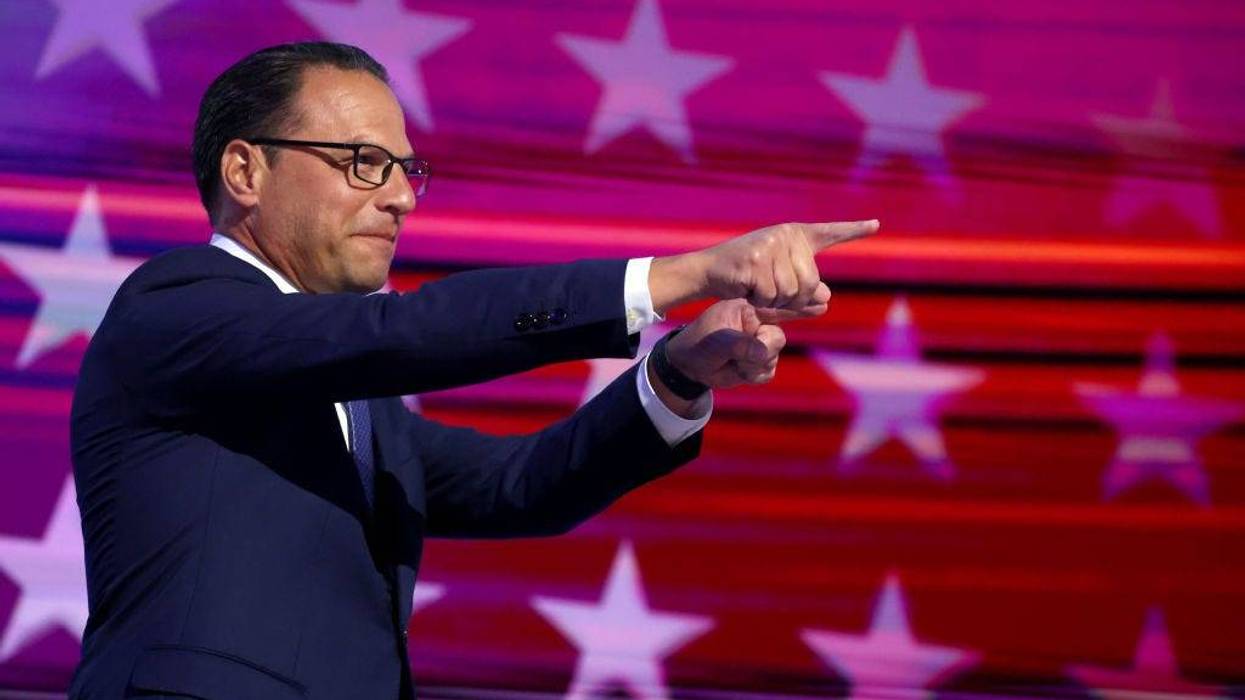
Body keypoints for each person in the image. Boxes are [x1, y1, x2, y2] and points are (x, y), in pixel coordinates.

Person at [67, 42, 876, 699]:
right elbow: (404, 331)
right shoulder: (174, 309)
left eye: (404, 170)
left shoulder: (363, 410)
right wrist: (679, 276)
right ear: (245, 171)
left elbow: (521, 484)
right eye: (361, 161)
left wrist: (676, 375)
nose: (399, 199)